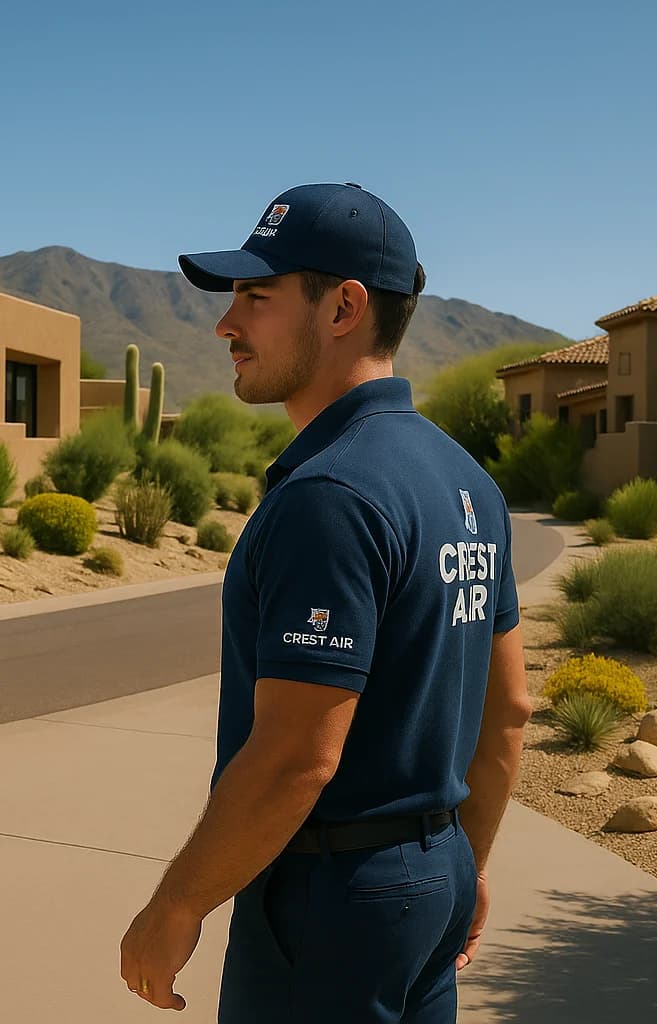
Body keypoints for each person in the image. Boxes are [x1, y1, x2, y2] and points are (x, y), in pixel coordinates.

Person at [118, 182, 531, 1021]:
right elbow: (510, 712)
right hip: (434, 876)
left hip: (333, 902)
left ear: (343, 308)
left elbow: (295, 757)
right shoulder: (468, 482)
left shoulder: (329, 496)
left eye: (256, 297)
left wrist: (177, 904)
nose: (226, 324)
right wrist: (468, 865)